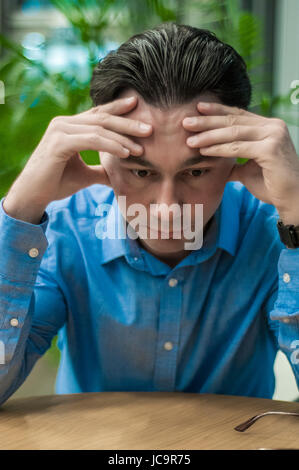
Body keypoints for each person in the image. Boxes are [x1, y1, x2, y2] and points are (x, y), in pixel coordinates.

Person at [0, 22, 298, 405]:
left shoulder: (274, 232)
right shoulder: (64, 231)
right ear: (102, 154)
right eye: (141, 172)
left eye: (196, 172)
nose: (167, 208)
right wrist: (21, 209)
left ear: (235, 155)